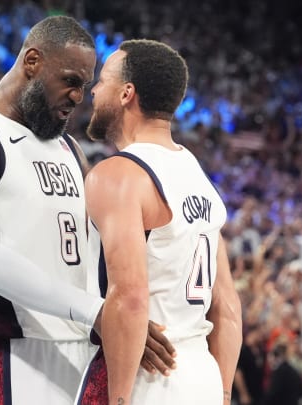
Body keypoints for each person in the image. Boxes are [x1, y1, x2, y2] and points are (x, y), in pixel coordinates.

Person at [0, 16, 175, 405]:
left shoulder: (69, 149)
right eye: (70, 81)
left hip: (82, 350)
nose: (79, 97)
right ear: (32, 62)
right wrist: (96, 311)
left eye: (85, 86)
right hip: (7, 356)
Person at [77, 39, 242, 405]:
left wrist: (117, 399)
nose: (94, 90)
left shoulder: (118, 174)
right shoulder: (198, 176)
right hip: (203, 374)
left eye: (102, 80)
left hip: (147, 377)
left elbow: (130, 298)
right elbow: (227, 304)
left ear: (126, 93)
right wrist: (223, 391)